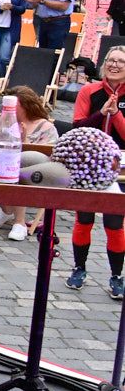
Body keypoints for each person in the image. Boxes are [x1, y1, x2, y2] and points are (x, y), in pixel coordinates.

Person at [68, 46, 125, 296]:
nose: (114, 65)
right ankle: (79, 268)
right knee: (84, 219)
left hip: (120, 166)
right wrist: (100, 114)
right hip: (89, 165)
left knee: (114, 223)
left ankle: (116, 276)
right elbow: (77, 129)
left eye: (121, 61)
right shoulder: (88, 91)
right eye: (111, 60)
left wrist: (117, 114)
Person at [0, 86, 58, 241]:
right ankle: (7, 210)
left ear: (25, 106)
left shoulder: (45, 127)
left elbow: (45, 157)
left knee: (18, 170)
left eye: (14, 106)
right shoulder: (4, 122)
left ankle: (19, 222)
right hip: (6, 166)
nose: (9, 109)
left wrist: (23, 140)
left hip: (36, 173)